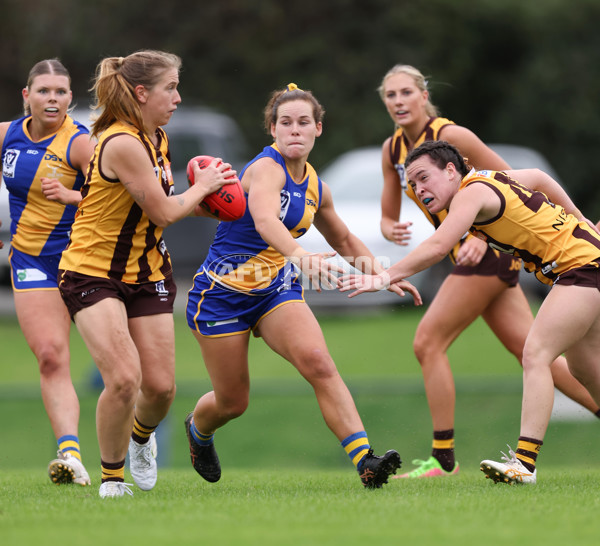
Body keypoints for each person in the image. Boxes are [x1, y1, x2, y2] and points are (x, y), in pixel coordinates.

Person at [184, 83, 421, 489]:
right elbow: (264, 220)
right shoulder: (265, 169)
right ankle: (197, 431)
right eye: (286, 123)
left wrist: (385, 274)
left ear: (318, 129)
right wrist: (301, 255)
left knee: (319, 362)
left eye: (304, 122)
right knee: (232, 402)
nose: (295, 130)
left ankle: (366, 460)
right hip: (221, 296)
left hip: (275, 289)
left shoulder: (317, 186)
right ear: (272, 130)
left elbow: (344, 240)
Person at [376, 64, 600, 479]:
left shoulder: (451, 140)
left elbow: (507, 183)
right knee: (566, 363)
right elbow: (393, 213)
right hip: (573, 264)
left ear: (424, 95)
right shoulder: (395, 151)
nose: (398, 101)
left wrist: (480, 231)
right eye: (390, 95)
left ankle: (464, 461)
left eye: (406, 92)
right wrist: (390, 227)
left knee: (445, 344)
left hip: (501, 259)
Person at [57, 50, 239, 499]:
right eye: (170, 87)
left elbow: (162, 205)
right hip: (91, 272)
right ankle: (112, 478)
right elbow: (162, 208)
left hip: (147, 271)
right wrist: (206, 186)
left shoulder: (156, 135)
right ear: (142, 92)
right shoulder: (122, 142)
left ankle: (141, 439)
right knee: (123, 379)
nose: (177, 97)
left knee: (159, 388)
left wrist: (217, 205)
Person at [0, 59, 95, 487]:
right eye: (43, 91)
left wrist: (72, 195)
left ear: (71, 98)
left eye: (60, 92)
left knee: (126, 371)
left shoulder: (80, 143)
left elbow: (118, 198)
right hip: (31, 261)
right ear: (27, 96)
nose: (52, 98)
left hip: (85, 261)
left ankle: (138, 438)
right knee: (52, 356)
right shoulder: (6, 135)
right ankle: (70, 455)